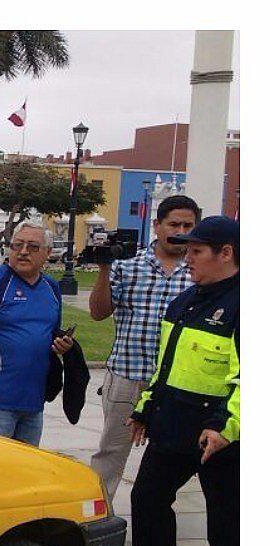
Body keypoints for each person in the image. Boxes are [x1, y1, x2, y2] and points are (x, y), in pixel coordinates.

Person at [107, 216, 239, 546]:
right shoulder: (184, 302)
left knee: (227, 521)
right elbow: (166, 366)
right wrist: (146, 408)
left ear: (226, 254)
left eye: (197, 251)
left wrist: (225, 427)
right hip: (175, 423)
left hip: (221, 435)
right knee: (147, 499)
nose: (188, 259)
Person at [87, 195, 198, 502]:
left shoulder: (198, 272)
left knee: (171, 455)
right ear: (157, 226)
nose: (180, 231)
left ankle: (157, 510)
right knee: (111, 451)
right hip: (128, 374)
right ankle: (99, 512)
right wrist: (104, 269)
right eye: (174, 224)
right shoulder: (127, 266)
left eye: (188, 226)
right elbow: (98, 313)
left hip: (174, 382)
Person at [0, 222, 73, 445]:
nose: (23, 251)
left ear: (48, 252)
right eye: (17, 245)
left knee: (25, 465)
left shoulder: (51, 287)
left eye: (33, 247)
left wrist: (62, 345)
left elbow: (51, 333)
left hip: (34, 400)